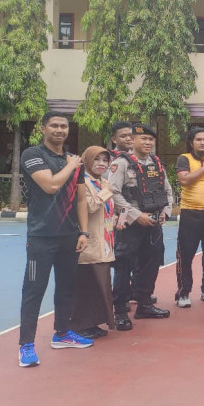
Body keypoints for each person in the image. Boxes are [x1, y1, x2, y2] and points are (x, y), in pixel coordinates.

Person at [18, 112, 92, 367]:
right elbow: (49, 185)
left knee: (66, 288)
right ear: (44, 128)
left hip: (69, 236)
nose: (60, 130)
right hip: (41, 236)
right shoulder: (33, 155)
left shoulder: (73, 160)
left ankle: (62, 333)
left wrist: (83, 232)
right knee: (34, 290)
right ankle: (26, 344)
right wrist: (72, 165)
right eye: (55, 126)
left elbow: (81, 198)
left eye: (64, 126)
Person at [109, 123, 172, 329]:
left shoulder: (157, 163)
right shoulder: (121, 164)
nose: (147, 142)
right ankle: (119, 310)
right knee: (123, 267)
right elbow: (113, 193)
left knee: (150, 264)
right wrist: (136, 216)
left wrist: (166, 212)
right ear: (132, 141)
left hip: (154, 223)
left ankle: (144, 304)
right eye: (142, 139)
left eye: (150, 139)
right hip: (131, 226)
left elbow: (168, 190)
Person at [70, 146, 116, 340]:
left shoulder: (102, 182)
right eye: (96, 160)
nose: (101, 164)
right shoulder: (83, 182)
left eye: (105, 160)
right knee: (87, 285)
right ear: (87, 161)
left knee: (101, 286)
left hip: (104, 241)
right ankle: (81, 324)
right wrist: (105, 193)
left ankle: (94, 322)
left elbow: (106, 210)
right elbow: (87, 207)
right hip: (89, 244)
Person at [175, 127, 204, 307]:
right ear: (192, 142)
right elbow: (185, 180)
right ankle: (183, 293)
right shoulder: (184, 159)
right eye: (199, 139)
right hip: (190, 212)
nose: (203, 142)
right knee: (185, 255)